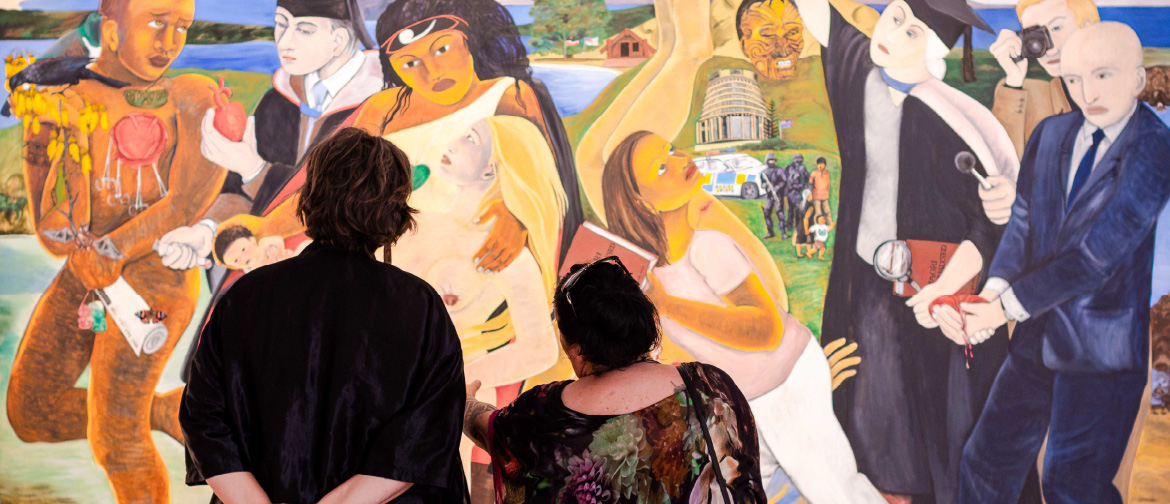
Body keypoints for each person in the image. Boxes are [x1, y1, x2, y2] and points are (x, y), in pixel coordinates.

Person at [790, 0, 1024, 501]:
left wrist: (946, 282)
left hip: (934, 296)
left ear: (935, 52)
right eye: (894, 16)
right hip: (865, 284)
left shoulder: (956, 121)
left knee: (939, 429)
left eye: (913, 31)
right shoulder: (857, 71)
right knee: (872, 422)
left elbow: (992, 226)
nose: (893, 34)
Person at [4, 0, 225, 501]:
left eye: (182, 28)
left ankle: (146, 416)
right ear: (109, 29)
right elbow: (51, 230)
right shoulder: (64, 96)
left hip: (155, 282)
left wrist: (114, 246)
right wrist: (47, 141)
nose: (170, 41)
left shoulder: (191, 95)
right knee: (31, 411)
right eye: (157, 23)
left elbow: (187, 201)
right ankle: (166, 410)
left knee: (116, 438)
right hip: (88, 277)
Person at [181, 127, 470, 504]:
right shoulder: (420, 305)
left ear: (309, 199)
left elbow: (204, 422)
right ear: (395, 209)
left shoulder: (244, 296)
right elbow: (424, 437)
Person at [949, 22, 1170, 504]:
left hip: (1100, 355)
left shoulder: (1157, 149)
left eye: (1103, 76)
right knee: (982, 465)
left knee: (1073, 487)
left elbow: (1095, 258)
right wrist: (990, 292)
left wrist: (1003, 308)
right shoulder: (1052, 134)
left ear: (1138, 79)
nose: (1086, 93)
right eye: (1072, 80)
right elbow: (1023, 224)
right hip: (1035, 341)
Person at [603, 131, 885, 503]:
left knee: (834, 489)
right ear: (641, 203)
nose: (679, 159)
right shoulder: (654, 277)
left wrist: (668, 306)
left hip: (784, 383)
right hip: (743, 402)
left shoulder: (708, 248)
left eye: (671, 150)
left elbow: (765, 330)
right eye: (661, 167)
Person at [462, 256, 767, 503]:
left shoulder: (542, 415)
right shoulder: (710, 385)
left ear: (575, 348)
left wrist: (465, 400)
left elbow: (488, 429)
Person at [989, 0, 1098, 159]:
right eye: (1035, 35)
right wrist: (1014, 80)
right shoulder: (1030, 97)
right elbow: (1001, 165)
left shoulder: (1123, 90)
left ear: (1088, 27)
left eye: (1056, 28)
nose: (1049, 48)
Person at [212, 225, 311, 272]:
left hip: (291, 263)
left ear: (252, 241)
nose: (242, 258)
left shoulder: (264, 245)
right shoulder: (248, 271)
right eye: (236, 260)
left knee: (306, 246)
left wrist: (274, 252)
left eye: (243, 250)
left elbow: (277, 240)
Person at [781, 152, 810, 235]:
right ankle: (789, 225)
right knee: (791, 210)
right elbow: (784, 179)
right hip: (790, 191)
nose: (797, 161)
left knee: (798, 209)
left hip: (798, 192)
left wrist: (803, 187)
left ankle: (797, 225)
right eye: (796, 159)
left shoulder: (802, 168)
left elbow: (806, 179)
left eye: (799, 160)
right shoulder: (788, 168)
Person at [761, 152, 788, 238]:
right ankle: (770, 232)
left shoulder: (779, 170)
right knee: (766, 212)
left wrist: (776, 188)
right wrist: (766, 187)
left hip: (778, 195)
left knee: (780, 213)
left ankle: (783, 233)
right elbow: (763, 183)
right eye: (770, 160)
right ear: (767, 161)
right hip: (769, 196)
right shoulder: (764, 172)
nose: (771, 162)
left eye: (772, 160)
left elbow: (784, 181)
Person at [810, 156, 832, 224]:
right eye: (819, 164)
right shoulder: (814, 173)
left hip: (825, 196)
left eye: (822, 164)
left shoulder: (827, 173)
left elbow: (828, 184)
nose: (821, 166)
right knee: (818, 212)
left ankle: (829, 224)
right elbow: (810, 183)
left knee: (827, 211)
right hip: (816, 196)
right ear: (817, 165)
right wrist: (811, 194)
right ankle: (817, 226)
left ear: (825, 165)